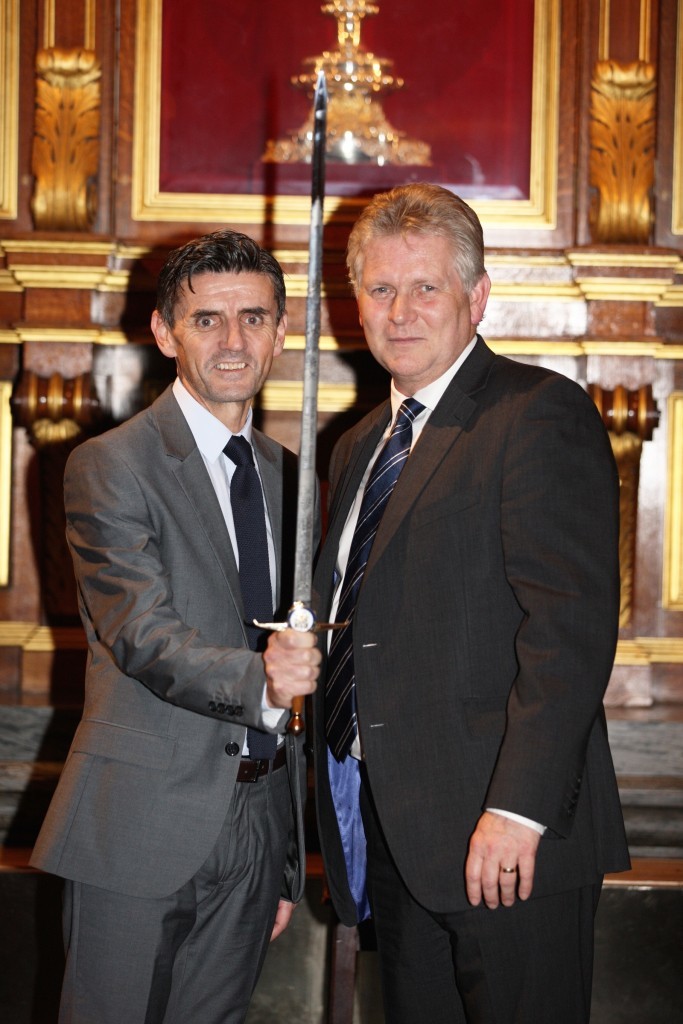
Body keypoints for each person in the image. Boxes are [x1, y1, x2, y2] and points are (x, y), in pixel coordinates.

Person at [312, 183, 630, 1023]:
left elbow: (566, 631)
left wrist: (516, 808)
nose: (401, 311)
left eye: (427, 288)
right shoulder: (354, 448)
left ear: (476, 296)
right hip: (398, 838)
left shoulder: (534, 413)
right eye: (380, 290)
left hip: (506, 840)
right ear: (356, 305)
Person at [31, 229, 321, 1024]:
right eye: (206, 320)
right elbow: (140, 634)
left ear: (281, 329)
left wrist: (283, 861)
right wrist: (261, 678)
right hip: (138, 818)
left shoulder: (291, 479)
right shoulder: (111, 464)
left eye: (254, 317)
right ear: (164, 333)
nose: (233, 341)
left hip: (257, 830)